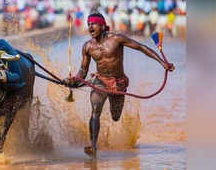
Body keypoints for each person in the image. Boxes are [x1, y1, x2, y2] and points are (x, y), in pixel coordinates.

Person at [65, 12, 174, 158]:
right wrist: (74, 81)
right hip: (100, 81)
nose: (90, 27)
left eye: (94, 24)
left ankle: (104, 139)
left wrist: (163, 63)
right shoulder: (87, 47)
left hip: (118, 82)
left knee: (116, 116)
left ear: (102, 26)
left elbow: (141, 48)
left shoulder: (117, 39)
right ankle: (93, 146)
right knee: (95, 109)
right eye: (89, 24)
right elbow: (83, 72)